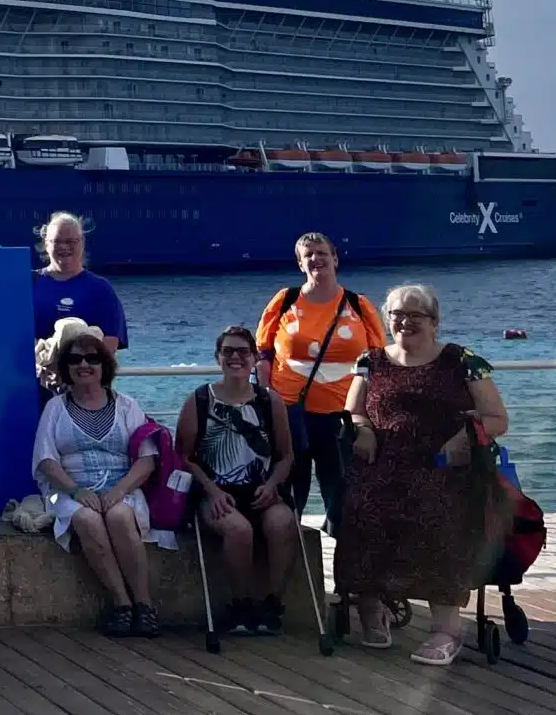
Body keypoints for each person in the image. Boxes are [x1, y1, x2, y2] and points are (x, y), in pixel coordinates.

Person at [338, 284, 513, 667]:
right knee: (360, 514)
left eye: (416, 314)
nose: (405, 321)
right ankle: (372, 609)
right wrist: (363, 429)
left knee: (440, 518)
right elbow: (354, 412)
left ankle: (447, 629)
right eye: (397, 314)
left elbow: (498, 419)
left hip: (445, 467)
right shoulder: (370, 361)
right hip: (382, 467)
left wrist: (464, 438)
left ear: (434, 322)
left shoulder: (462, 360)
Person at [31, 319, 162, 637]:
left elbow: (147, 460)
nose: (83, 365)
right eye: (75, 359)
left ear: (105, 365)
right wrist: (76, 491)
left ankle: (144, 606)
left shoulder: (128, 406)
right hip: (71, 489)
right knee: (87, 520)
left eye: (92, 358)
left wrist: (118, 491)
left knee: (118, 517)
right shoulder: (55, 409)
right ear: (65, 367)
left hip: (121, 487)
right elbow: (46, 460)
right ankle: (121, 605)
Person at [257, 232, 388, 536]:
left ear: (335, 259)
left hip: (342, 416)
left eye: (322, 253)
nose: (316, 259)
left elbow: (378, 361)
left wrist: (371, 416)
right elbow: (262, 354)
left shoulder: (358, 304)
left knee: (344, 496)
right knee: (289, 495)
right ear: (300, 264)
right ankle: (290, 569)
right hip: (290, 414)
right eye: (309, 255)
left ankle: (347, 573)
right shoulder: (284, 300)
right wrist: (265, 404)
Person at [175, 326, 298, 635]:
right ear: (218, 358)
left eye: (243, 351)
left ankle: (272, 604)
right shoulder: (199, 400)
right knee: (238, 530)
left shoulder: (270, 402)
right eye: (227, 351)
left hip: (262, 491)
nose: (235, 357)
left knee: (282, 524)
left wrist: (272, 487)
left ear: (255, 358)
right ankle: (240, 604)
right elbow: (183, 457)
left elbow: (286, 456)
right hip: (215, 492)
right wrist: (212, 490)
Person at [33, 212, 127, 350]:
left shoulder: (100, 289)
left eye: (71, 241)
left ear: (82, 242)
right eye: (57, 241)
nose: (64, 247)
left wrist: (69, 361)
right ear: (46, 244)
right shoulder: (28, 283)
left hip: (82, 369)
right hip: (36, 369)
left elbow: (111, 340)